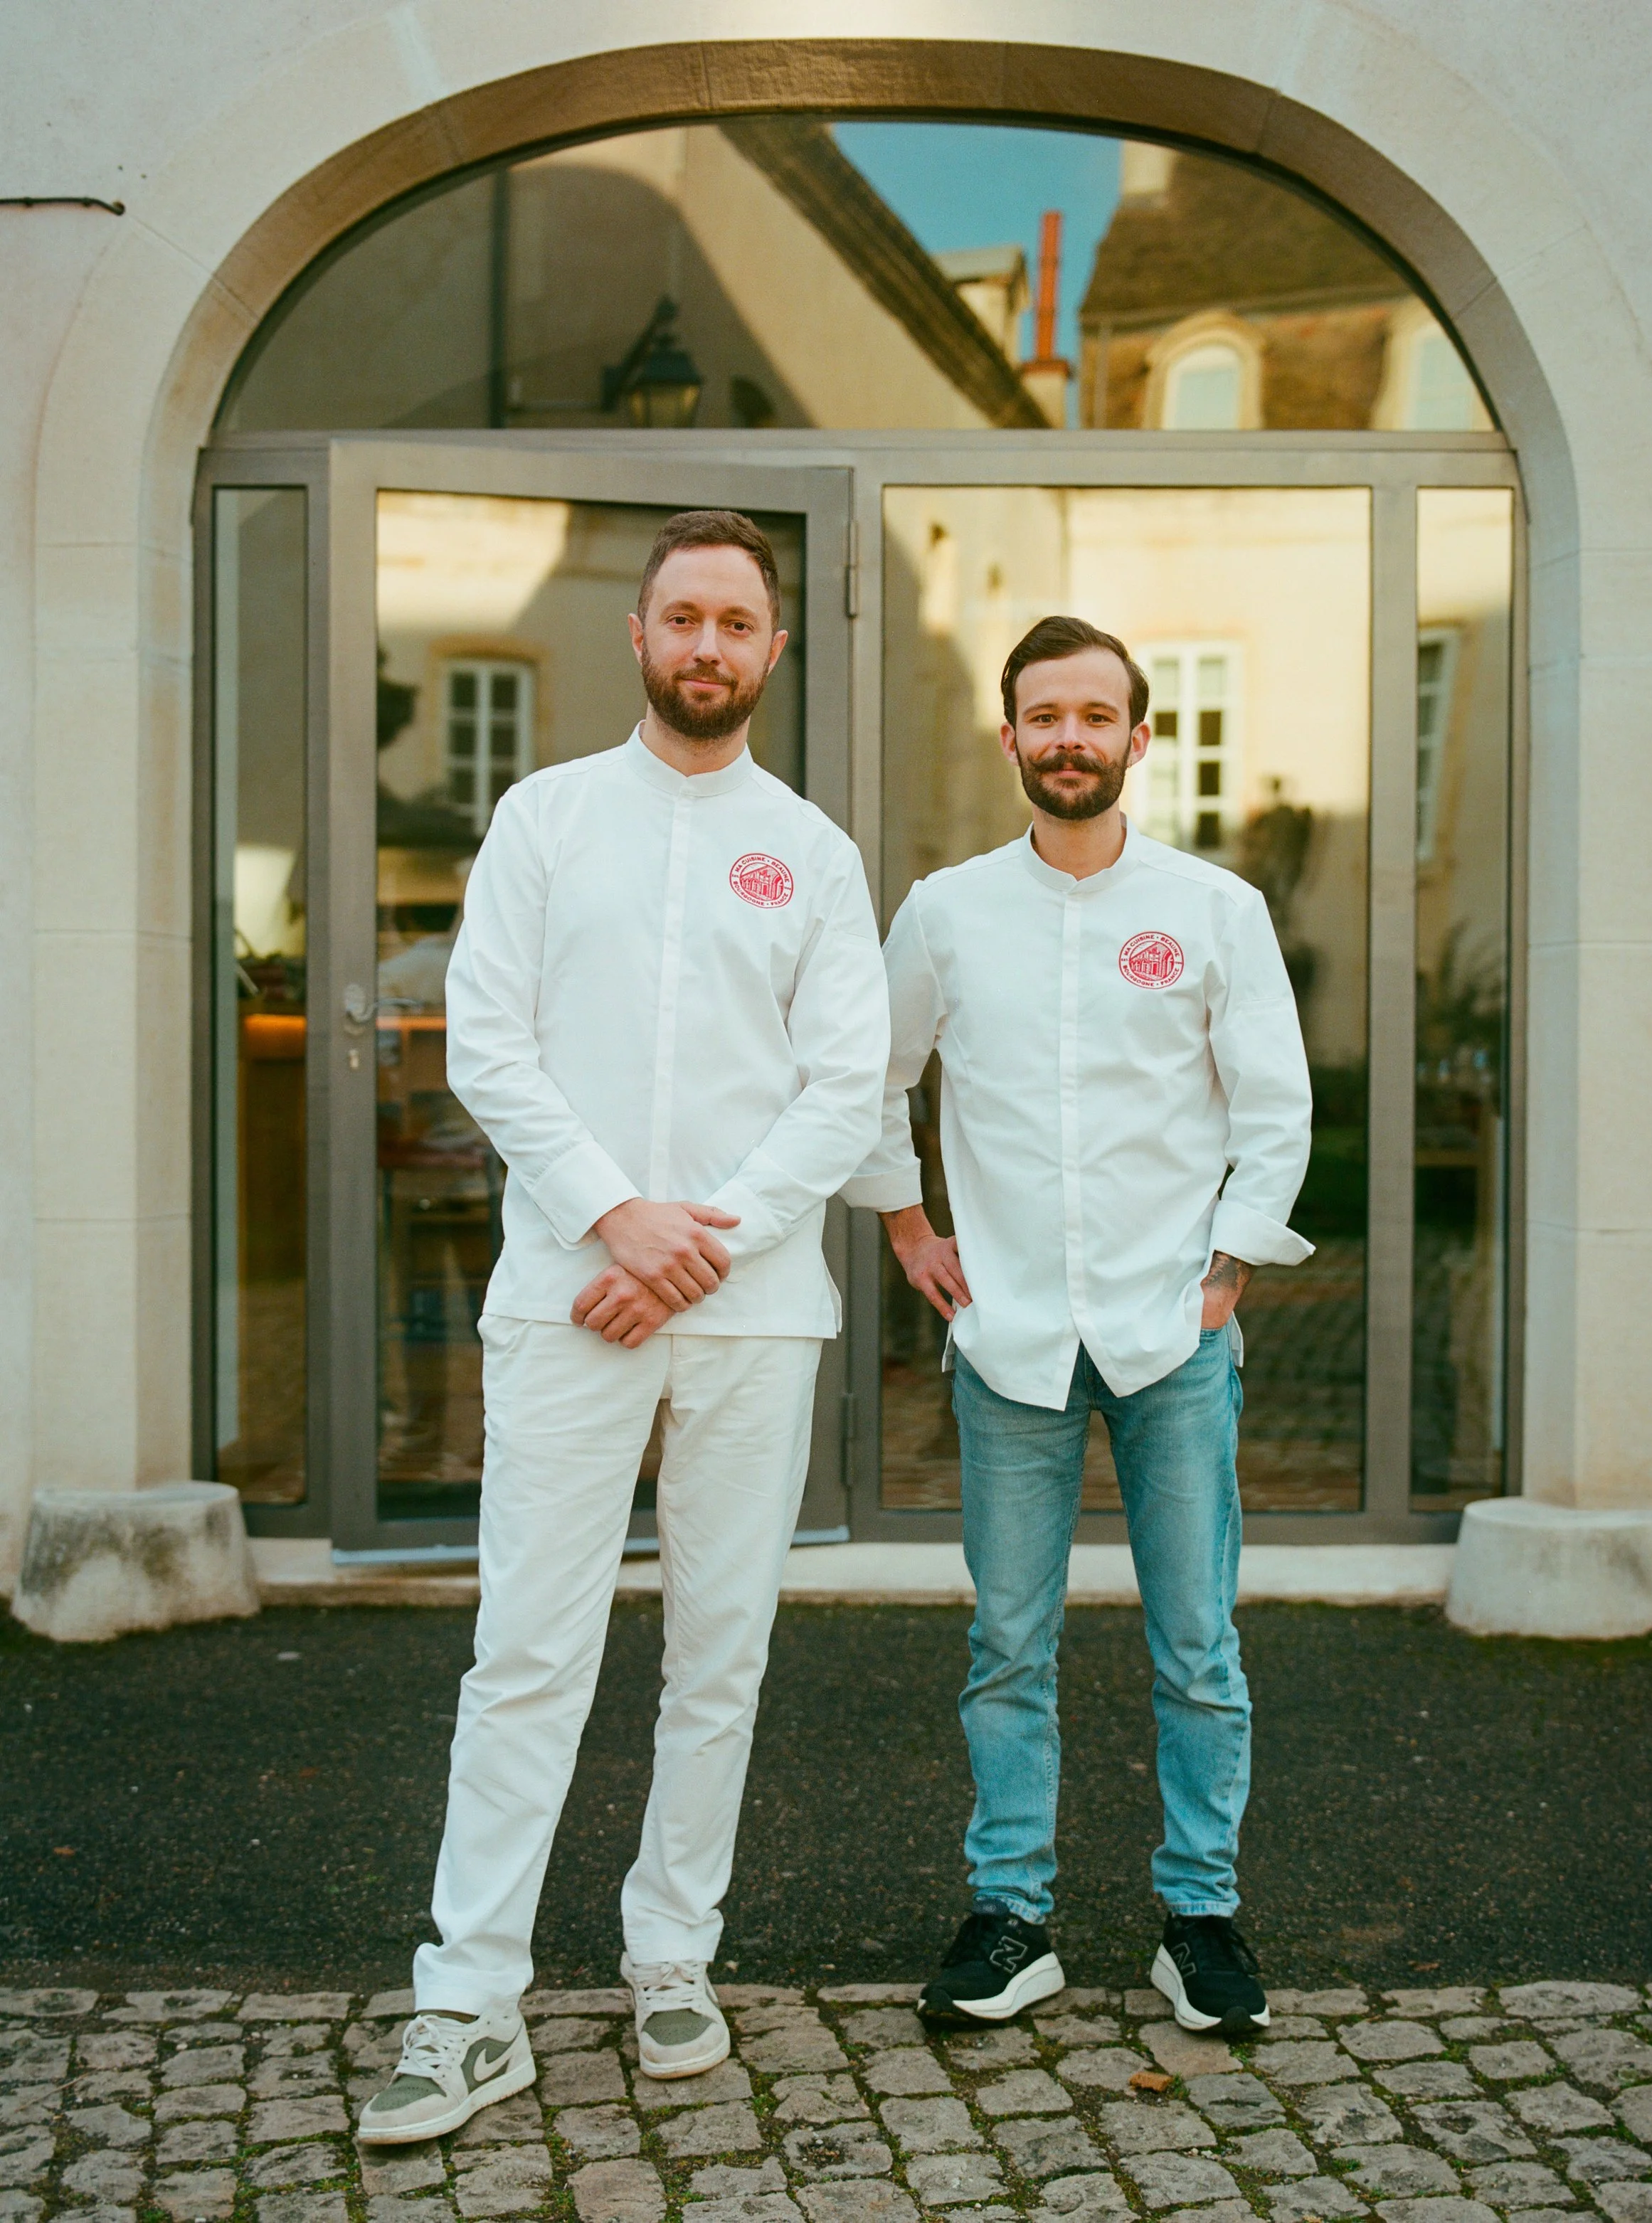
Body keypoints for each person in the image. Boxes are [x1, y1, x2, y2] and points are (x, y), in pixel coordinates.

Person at [359, 510, 891, 2143]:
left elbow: (844, 1084)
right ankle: (469, 1992)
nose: (708, 645)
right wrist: (617, 1215)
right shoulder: (545, 815)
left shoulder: (809, 849)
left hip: (747, 1306)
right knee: (529, 1644)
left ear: (774, 647)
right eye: (682, 616)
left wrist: (695, 1242)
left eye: (738, 620)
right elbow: (486, 1042)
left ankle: (673, 1948)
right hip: (568, 1289)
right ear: (641, 635)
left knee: (716, 1651)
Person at [844, 614, 1314, 2035]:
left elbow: (1274, 1109)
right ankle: (1009, 1916)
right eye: (1040, 714)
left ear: (1135, 737)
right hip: (1010, 1344)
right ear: (1009, 737)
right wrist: (906, 1225)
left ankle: (1200, 1919)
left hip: (1173, 1337)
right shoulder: (940, 909)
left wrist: (1225, 1268)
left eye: (1091, 715)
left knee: (1196, 1646)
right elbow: (872, 1072)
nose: (1066, 736)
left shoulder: (1216, 909)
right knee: (1007, 1642)